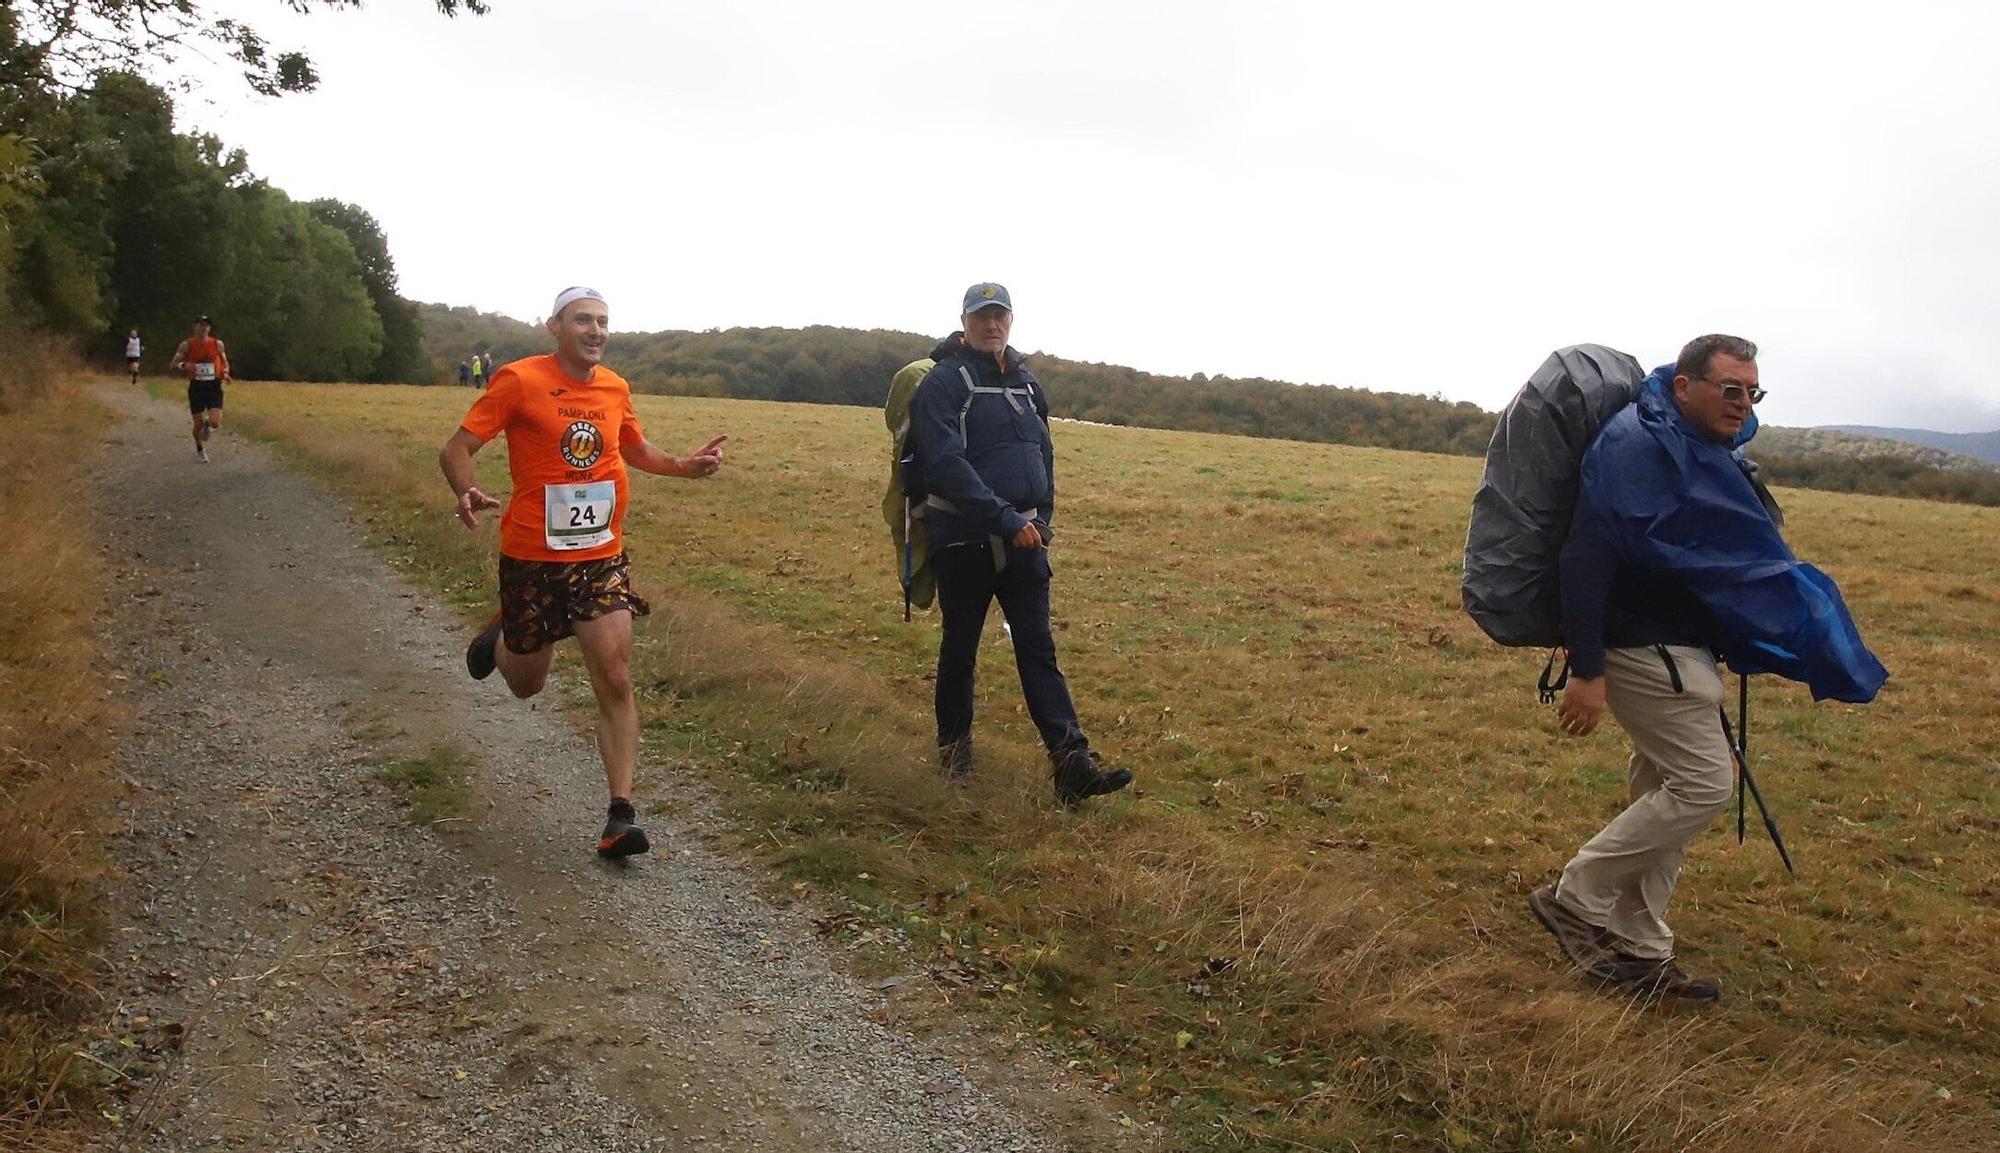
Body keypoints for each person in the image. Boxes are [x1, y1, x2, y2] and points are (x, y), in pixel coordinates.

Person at [1532, 333, 1884, 1002]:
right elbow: (1586, 557)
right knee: (1701, 784)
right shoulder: (1638, 451)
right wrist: (1587, 668)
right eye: (1730, 388)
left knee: (1666, 789)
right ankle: (1577, 896)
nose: (1742, 401)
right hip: (1644, 648)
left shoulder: (1689, 452)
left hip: (1678, 647)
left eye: (1752, 391)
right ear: (1685, 384)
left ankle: (1637, 943)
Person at [438, 286, 727, 858]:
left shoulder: (615, 387)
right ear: (555, 327)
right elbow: (456, 448)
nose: (595, 331)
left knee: (615, 676)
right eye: (582, 321)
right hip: (532, 558)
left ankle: (620, 816)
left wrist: (682, 468)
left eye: (602, 321)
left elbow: (633, 449)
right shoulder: (520, 380)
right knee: (527, 684)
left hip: (600, 556)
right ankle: (502, 638)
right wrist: (466, 487)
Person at [907, 282, 1132, 806]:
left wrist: (1041, 518)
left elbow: (1042, 452)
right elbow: (945, 465)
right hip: (963, 538)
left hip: (1027, 539)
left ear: (1011, 320)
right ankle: (954, 757)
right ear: (964, 322)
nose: (991, 325)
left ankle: (1072, 762)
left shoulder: (1027, 383)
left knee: (1037, 648)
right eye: (981, 316)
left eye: (999, 316)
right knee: (960, 648)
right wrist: (1003, 518)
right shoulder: (944, 382)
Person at [168, 316, 229, 462]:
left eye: (207, 325)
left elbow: (225, 362)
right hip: (197, 386)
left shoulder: (217, 344)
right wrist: (185, 366)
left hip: (213, 385)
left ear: (210, 328)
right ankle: (200, 449)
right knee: (198, 424)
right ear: (194, 327)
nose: (204, 328)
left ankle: (208, 424)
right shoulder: (187, 345)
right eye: (201, 325)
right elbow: (173, 365)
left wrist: (226, 374)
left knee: (215, 422)